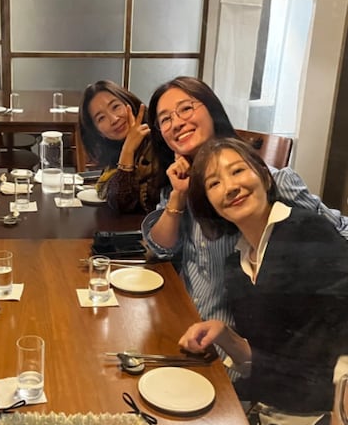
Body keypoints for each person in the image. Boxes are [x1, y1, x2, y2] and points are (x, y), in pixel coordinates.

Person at [178, 137, 348, 425]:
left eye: (238, 171)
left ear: (265, 177)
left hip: (323, 423)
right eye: (214, 183)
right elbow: (267, 358)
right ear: (209, 202)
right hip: (274, 411)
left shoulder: (306, 233)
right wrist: (225, 335)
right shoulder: (237, 264)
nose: (231, 187)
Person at [142, 76, 348, 328]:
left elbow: (339, 233)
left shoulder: (265, 182)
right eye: (165, 119)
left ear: (211, 109)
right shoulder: (178, 181)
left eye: (185, 108)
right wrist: (178, 196)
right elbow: (161, 248)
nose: (176, 123)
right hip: (184, 318)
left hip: (241, 338)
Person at [78, 80, 166, 213]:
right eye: (101, 118)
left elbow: (122, 203)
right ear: (98, 132)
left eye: (115, 107)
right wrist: (128, 149)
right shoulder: (115, 152)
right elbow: (114, 198)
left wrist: (128, 149)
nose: (114, 119)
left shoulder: (159, 139)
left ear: (128, 103)